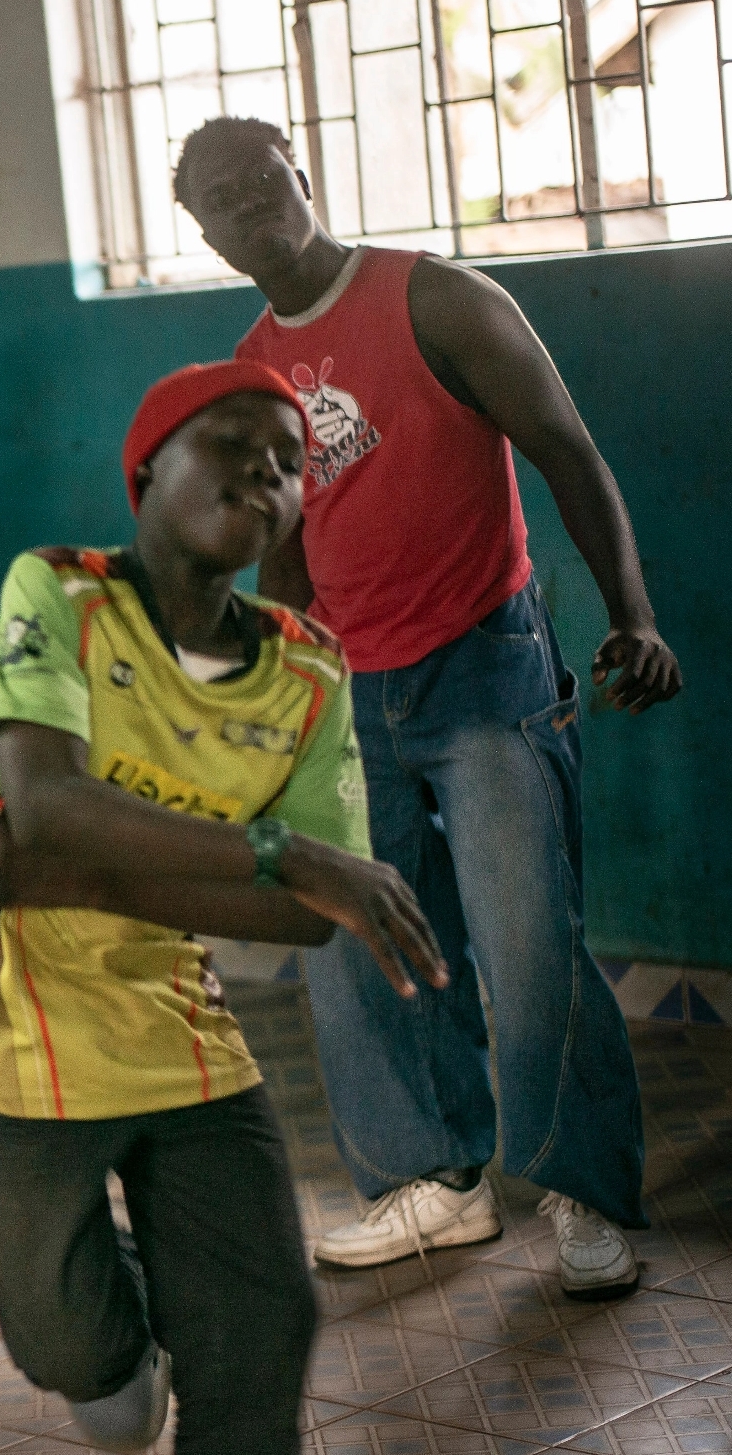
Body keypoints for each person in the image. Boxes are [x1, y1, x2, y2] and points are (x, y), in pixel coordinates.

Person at [0, 363, 449, 1455]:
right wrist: (275, 850)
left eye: (287, 464)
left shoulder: (305, 670)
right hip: (17, 1043)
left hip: (181, 1038)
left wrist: (66, 870)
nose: (264, 471)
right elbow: (49, 806)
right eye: (231, 446)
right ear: (146, 469)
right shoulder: (58, 593)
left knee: (261, 1334)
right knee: (81, 1370)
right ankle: (118, 1328)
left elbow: (314, 919)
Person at [176, 117, 679, 1296]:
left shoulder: (435, 299)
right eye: (222, 201)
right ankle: (433, 1186)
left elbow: (564, 450)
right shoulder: (249, 369)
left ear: (300, 173)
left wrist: (633, 615)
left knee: (524, 940)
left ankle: (579, 1192)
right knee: (362, 941)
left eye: (263, 182)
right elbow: (282, 558)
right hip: (345, 689)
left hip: (481, 664)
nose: (251, 209)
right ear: (199, 230)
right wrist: (272, 708)